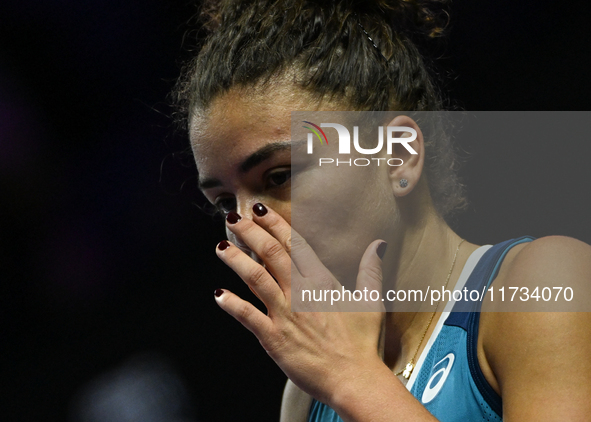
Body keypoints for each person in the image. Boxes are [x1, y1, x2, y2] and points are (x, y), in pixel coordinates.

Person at [172, 0, 591, 420]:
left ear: (398, 156)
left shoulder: (547, 282)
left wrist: (355, 382)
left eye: (279, 176)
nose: (244, 226)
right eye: (225, 203)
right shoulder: (304, 399)